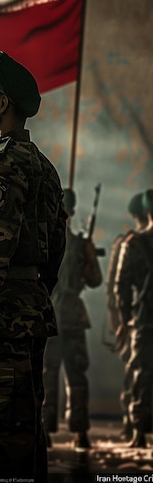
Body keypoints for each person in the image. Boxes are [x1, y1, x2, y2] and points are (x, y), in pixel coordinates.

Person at [0, 51, 67, 479]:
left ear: (3, 103)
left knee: (2, 437)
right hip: (32, 312)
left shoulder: (2, 166)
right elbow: (56, 250)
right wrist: (35, 297)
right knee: (28, 429)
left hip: (2, 317)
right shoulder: (45, 168)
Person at [42, 188, 103, 450]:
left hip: (60, 314)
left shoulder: (65, 244)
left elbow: (95, 280)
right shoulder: (54, 243)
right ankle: (54, 430)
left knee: (66, 375)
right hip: (59, 313)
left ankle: (72, 431)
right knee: (55, 375)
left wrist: (88, 258)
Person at [105, 193, 148, 440]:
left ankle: (135, 427)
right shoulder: (131, 243)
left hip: (136, 318)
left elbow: (116, 287)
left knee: (135, 372)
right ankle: (133, 426)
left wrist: (119, 320)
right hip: (136, 317)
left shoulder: (130, 243)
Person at [114, 188, 153, 448]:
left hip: (144, 318)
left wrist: (126, 318)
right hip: (144, 317)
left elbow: (121, 286)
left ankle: (139, 433)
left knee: (142, 374)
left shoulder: (134, 243)